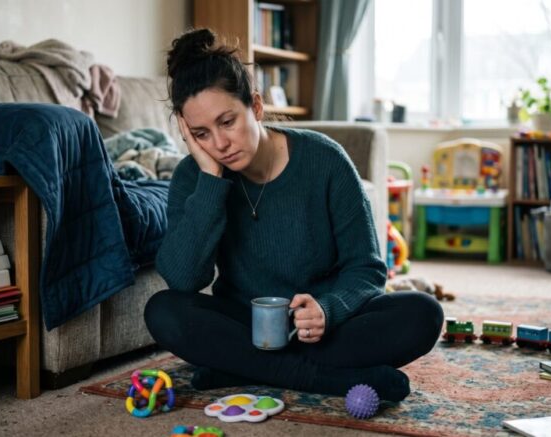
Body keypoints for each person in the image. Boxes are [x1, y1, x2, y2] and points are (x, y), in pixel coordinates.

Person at [144, 28, 443, 402]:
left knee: (422, 314)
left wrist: (328, 310)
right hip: (247, 326)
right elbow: (184, 280)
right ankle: (323, 378)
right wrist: (211, 180)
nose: (219, 144)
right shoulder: (197, 175)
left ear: (254, 106)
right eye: (201, 134)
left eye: (227, 122)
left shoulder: (325, 160)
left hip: (322, 328)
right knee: (163, 312)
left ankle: (238, 368)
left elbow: (366, 270)